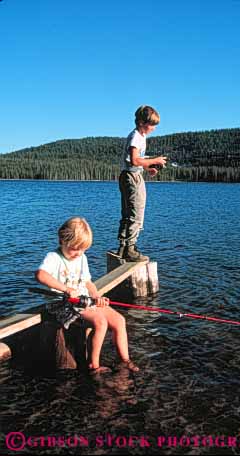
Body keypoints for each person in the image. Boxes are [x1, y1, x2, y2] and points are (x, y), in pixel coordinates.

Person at [35, 217, 139, 373]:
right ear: (62, 240)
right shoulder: (53, 257)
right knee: (100, 322)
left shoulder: (81, 257)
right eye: (75, 249)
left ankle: (125, 360)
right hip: (62, 304)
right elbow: (40, 275)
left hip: (83, 301)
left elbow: (88, 282)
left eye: (82, 249)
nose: (78, 253)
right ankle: (94, 365)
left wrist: (97, 296)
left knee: (119, 320)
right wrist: (66, 289)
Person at [117, 105, 167, 262]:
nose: (153, 128)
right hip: (132, 177)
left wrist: (149, 167)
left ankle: (124, 248)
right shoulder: (136, 137)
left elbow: (136, 162)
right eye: (151, 124)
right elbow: (134, 160)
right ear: (141, 122)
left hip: (130, 174)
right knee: (136, 213)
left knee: (128, 213)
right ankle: (129, 249)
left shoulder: (139, 137)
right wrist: (156, 160)